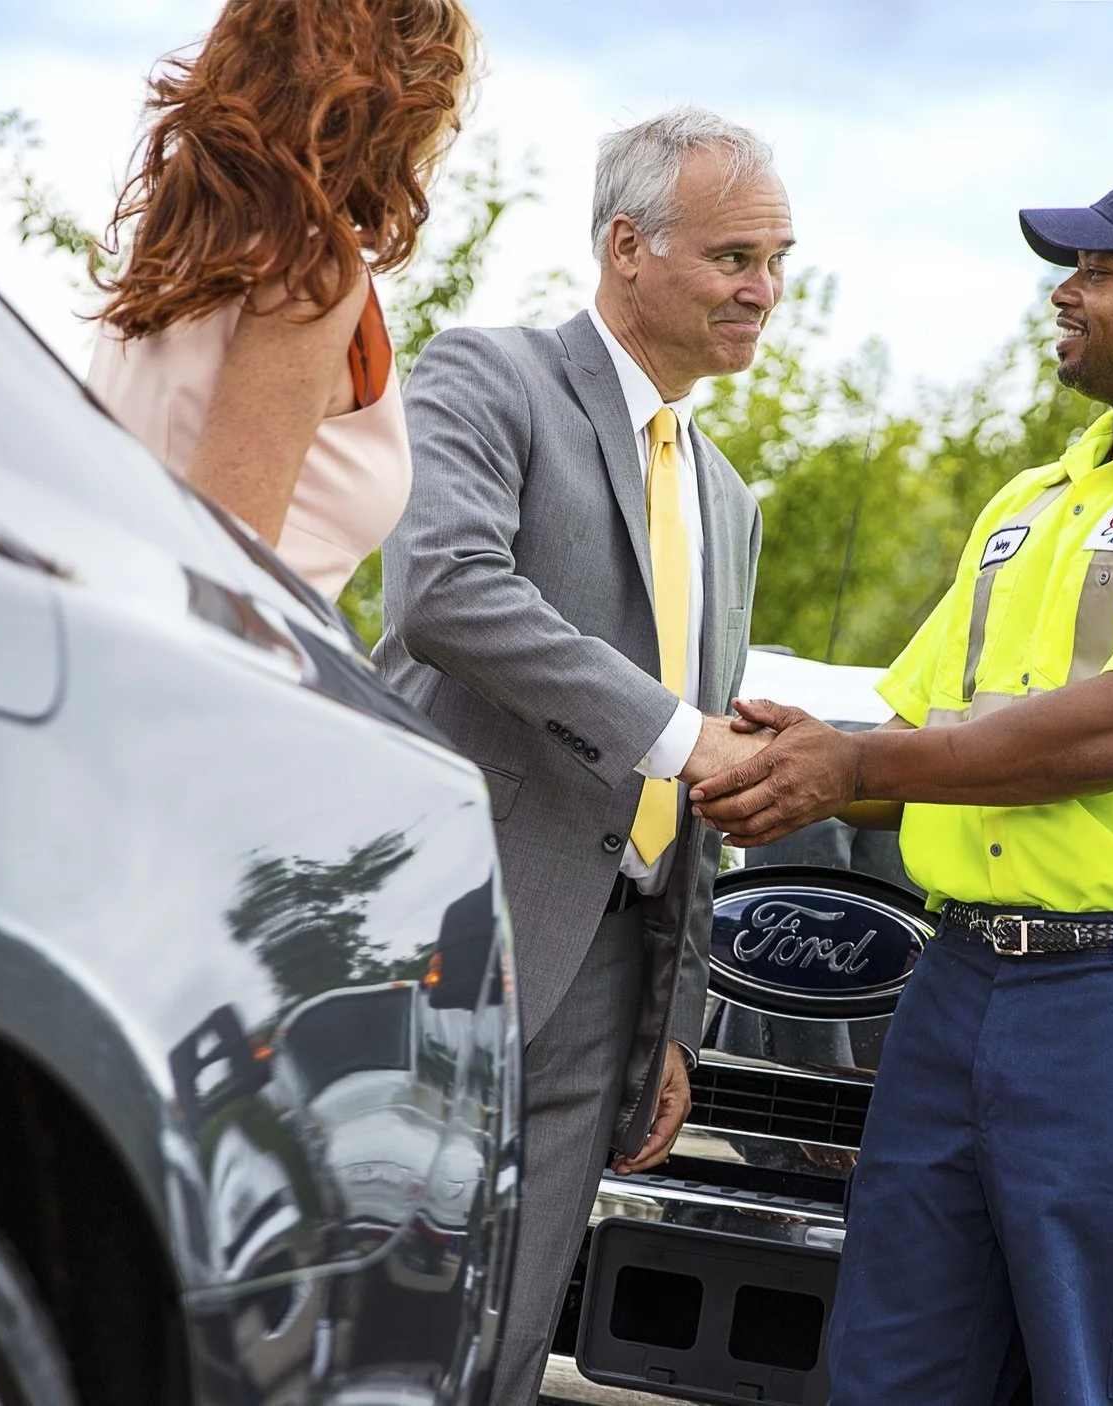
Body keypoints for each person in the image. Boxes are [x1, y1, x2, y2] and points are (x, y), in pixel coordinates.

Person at [692, 162, 1113, 1405]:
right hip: (954, 990)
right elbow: (912, 735)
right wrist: (801, 751)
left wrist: (857, 762)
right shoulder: (1031, 499)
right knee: (891, 1373)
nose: (1068, 290)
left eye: (1104, 271)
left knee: (1092, 1381)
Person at [374, 108, 788, 1406]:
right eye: (734, 256)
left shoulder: (728, 494)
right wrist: (673, 731)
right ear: (626, 246)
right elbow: (439, 585)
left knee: (506, 1333)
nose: (763, 290)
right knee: (385, 1291)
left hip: (613, 966)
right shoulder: (485, 376)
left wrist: (671, 1019)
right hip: (450, 916)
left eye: (778, 260)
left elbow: (709, 763)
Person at [87, 0, 476, 595]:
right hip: (206, 672)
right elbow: (224, 580)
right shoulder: (308, 273)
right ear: (396, 98)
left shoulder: (178, 238)